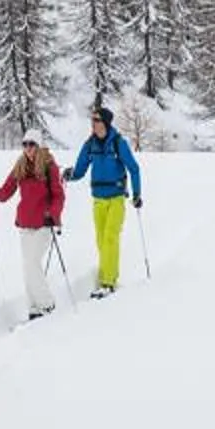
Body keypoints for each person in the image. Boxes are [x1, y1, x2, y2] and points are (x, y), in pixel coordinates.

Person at [64, 102, 143, 298]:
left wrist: (137, 194)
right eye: (92, 120)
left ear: (105, 123)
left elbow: (134, 168)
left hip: (116, 198)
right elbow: (80, 170)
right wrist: (69, 174)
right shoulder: (89, 144)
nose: (93, 123)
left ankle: (108, 282)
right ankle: (106, 276)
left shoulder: (118, 143)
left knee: (110, 238)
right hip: (98, 199)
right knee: (101, 240)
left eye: (97, 120)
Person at [0, 133, 67, 321]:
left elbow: (59, 196)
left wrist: (53, 214)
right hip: (25, 223)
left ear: (38, 146)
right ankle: (34, 307)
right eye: (25, 144)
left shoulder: (49, 166)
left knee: (32, 263)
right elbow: (7, 190)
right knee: (27, 267)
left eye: (31, 144)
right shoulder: (21, 165)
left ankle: (47, 304)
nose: (28, 148)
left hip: (43, 223)